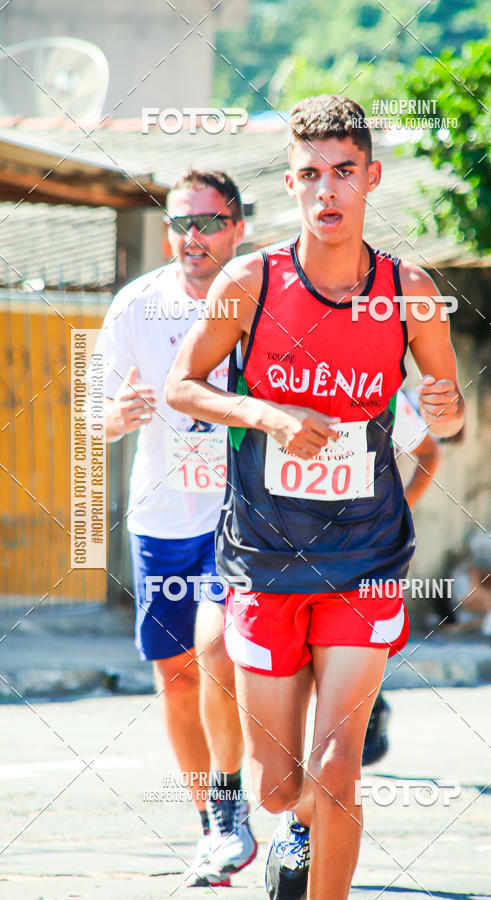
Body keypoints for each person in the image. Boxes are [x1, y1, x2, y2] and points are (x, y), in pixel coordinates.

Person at [165, 95, 465, 900]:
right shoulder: (249, 282)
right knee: (277, 784)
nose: (326, 191)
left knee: (339, 771)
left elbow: (450, 403)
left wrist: (449, 406)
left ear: (370, 176)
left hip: (366, 552)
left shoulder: (410, 290)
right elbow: (182, 385)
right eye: (308, 175)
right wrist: (260, 411)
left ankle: (320, 841)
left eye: (342, 173)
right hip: (265, 556)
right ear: (291, 184)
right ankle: (292, 826)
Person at [95, 169, 256, 887]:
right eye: (183, 224)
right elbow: (92, 420)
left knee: (220, 655)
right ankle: (213, 828)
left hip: (242, 514)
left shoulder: (261, 299)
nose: (195, 237)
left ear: (238, 227)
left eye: (210, 222)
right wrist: (114, 419)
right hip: (163, 517)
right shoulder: (137, 306)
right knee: (177, 675)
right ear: (168, 234)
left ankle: (244, 806)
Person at [362, 390, 441, 766]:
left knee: (352, 646)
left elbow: (429, 454)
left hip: (366, 552)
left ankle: (369, 709)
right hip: (291, 547)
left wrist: (398, 510)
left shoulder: (385, 394)